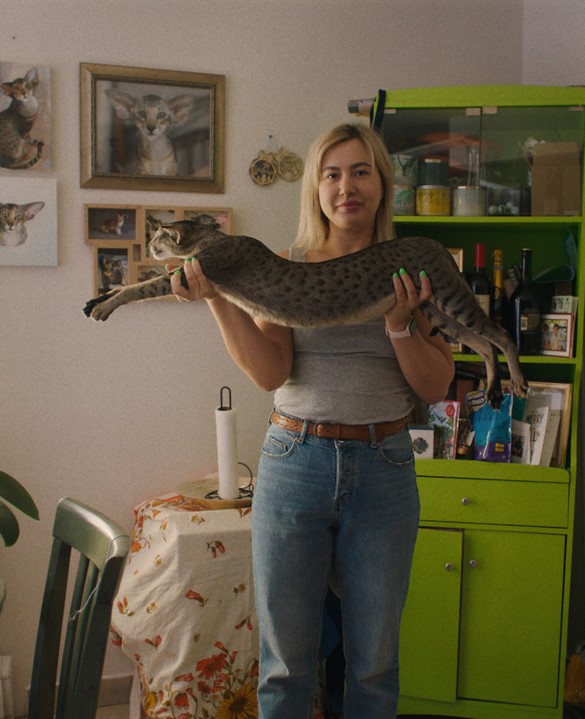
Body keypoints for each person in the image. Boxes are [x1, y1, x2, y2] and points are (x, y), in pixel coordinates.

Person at [171, 122, 455, 717]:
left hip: (384, 467)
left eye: (360, 171)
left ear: (381, 184)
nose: (345, 186)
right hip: (294, 462)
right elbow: (271, 372)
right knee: (284, 664)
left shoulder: (411, 268)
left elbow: (434, 384)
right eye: (331, 174)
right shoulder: (286, 265)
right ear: (315, 189)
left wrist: (400, 326)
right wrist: (220, 297)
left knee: (374, 661)